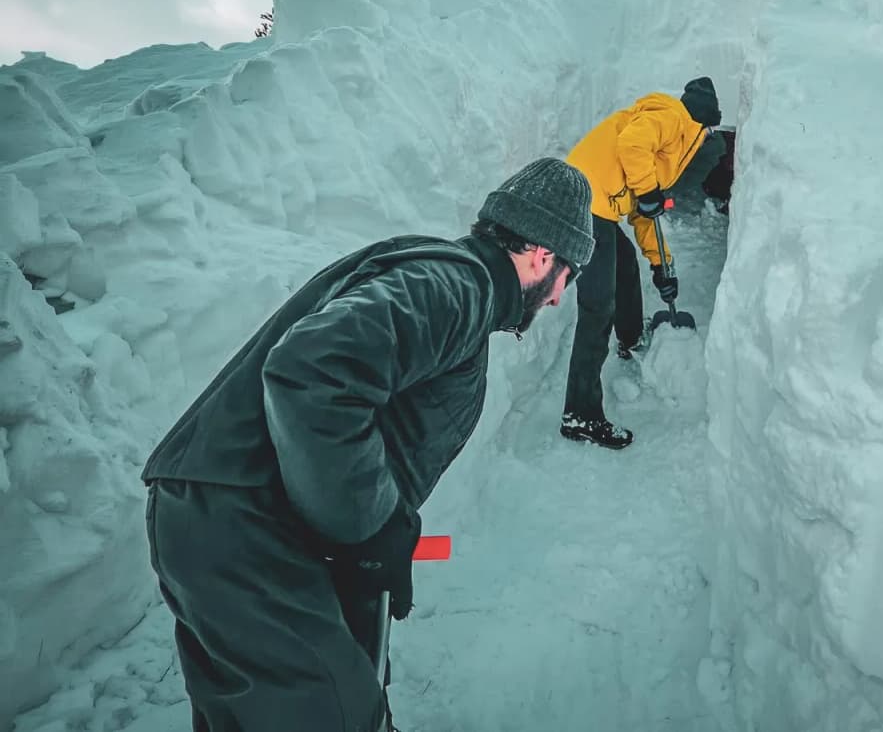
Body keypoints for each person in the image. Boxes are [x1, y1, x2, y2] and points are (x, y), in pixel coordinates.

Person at [141, 157, 595, 732]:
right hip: (242, 520)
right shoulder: (454, 287)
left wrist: (366, 539)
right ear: (543, 255)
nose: (557, 300)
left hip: (229, 510)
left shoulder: (445, 278)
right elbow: (313, 370)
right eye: (567, 279)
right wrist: (371, 528)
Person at [560, 77, 722, 450]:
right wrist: (649, 191)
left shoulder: (669, 146)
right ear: (705, 125)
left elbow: (644, 213)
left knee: (627, 263)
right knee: (597, 307)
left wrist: (661, 264)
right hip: (584, 201)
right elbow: (632, 144)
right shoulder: (671, 116)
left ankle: (630, 336)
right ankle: (580, 414)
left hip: (597, 203)